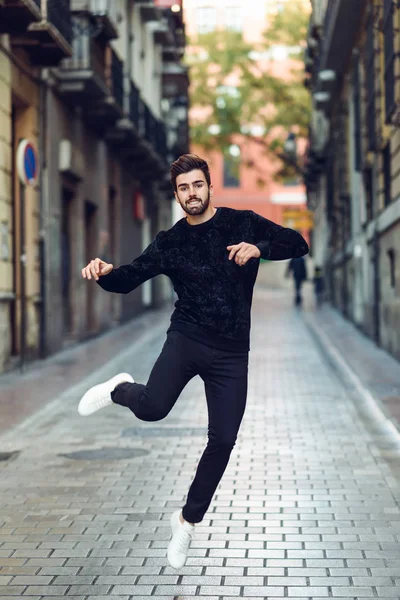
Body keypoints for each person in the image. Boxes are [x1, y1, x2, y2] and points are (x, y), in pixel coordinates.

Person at [78, 154, 309, 570]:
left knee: (223, 439)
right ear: (177, 194)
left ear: (209, 186)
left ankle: (186, 520)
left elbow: (299, 242)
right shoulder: (171, 241)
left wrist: (259, 247)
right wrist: (104, 271)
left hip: (233, 350)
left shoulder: (242, 222)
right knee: (151, 408)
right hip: (187, 338)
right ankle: (117, 389)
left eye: (197, 185)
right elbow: (130, 277)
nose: (192, 194)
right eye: (183, 188)